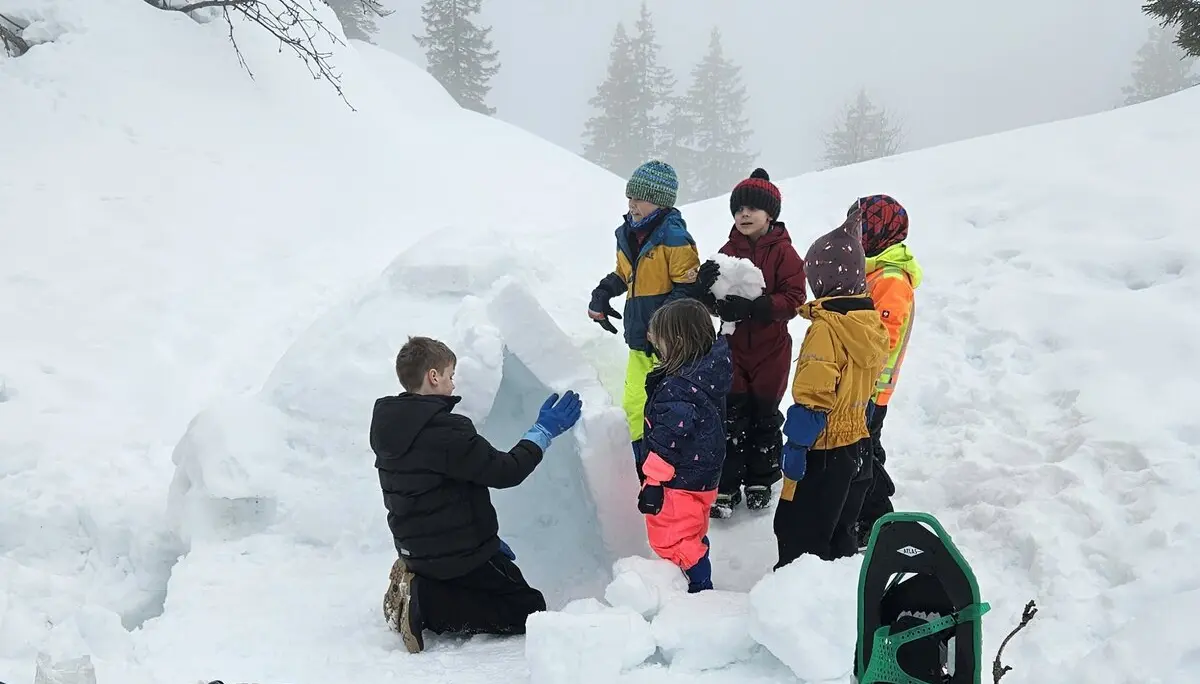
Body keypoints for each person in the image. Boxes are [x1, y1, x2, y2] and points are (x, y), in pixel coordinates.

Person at [371, 336, 583, 653]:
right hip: (456, 554)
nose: (453, 384)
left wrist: (488, 538)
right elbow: (505, 471)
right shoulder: (445, 431)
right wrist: (542, 432)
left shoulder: (389, 425)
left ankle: (419, 579)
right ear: (433, 376)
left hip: (416, 547)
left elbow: (439, 490)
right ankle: (425, 601)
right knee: (528, 611)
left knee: (487, 584)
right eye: (450, 375)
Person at [772, 203, 889, 567]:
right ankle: (833, 593)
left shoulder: (826, 329)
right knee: (840, 529)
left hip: (823, 449)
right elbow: (865, 385)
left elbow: (813, 397)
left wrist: (796, 446)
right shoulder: (869, 323)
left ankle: (794, 596)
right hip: (857, 444)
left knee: (798, 531)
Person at [696, 168, 807, 517]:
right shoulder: (726, 251)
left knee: (763, 415)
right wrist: (705, 290)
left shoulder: (785, 253)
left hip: (771, 349)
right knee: (729, 415)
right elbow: (714, 303)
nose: (743, 214)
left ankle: (761, 477)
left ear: (769, 214)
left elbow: (794, 298)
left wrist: (759, 306)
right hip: (731, 347)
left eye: (752, 209)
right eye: (738, 209)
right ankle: (726, 485)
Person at [588, 160, 701, 471]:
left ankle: (671, 468)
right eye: (630, 197)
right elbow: (624, 274)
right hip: (640, 343)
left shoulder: (674, 237)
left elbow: (688, 288)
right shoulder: (627, 234)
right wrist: (603, 292)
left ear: (661, 202)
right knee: (636, 406)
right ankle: (639, 465)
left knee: (669, 410)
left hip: (671, 348)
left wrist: (661, 327)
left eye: (639, 198)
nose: (632, 204)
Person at [636, 298, 732, 592]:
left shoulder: (678, 388)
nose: (652, 341)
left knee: (672, 537)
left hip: (678, 479)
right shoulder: (705, 373)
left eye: (658, 337)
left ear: (676, 342)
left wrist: (653, 482)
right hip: (701, 474)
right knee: (690, 531)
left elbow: (668, 441)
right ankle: (696, 573)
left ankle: (698, 588)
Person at [851, 195, 924, 549]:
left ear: (880, 231)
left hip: (870, 386)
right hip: (862, 383)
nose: (854, 233)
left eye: (861, 225)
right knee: (866, 445)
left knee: (861, 449)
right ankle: (870, 506)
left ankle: (876, 517)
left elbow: (885, 335)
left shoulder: (891, 279)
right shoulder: (874, 271)